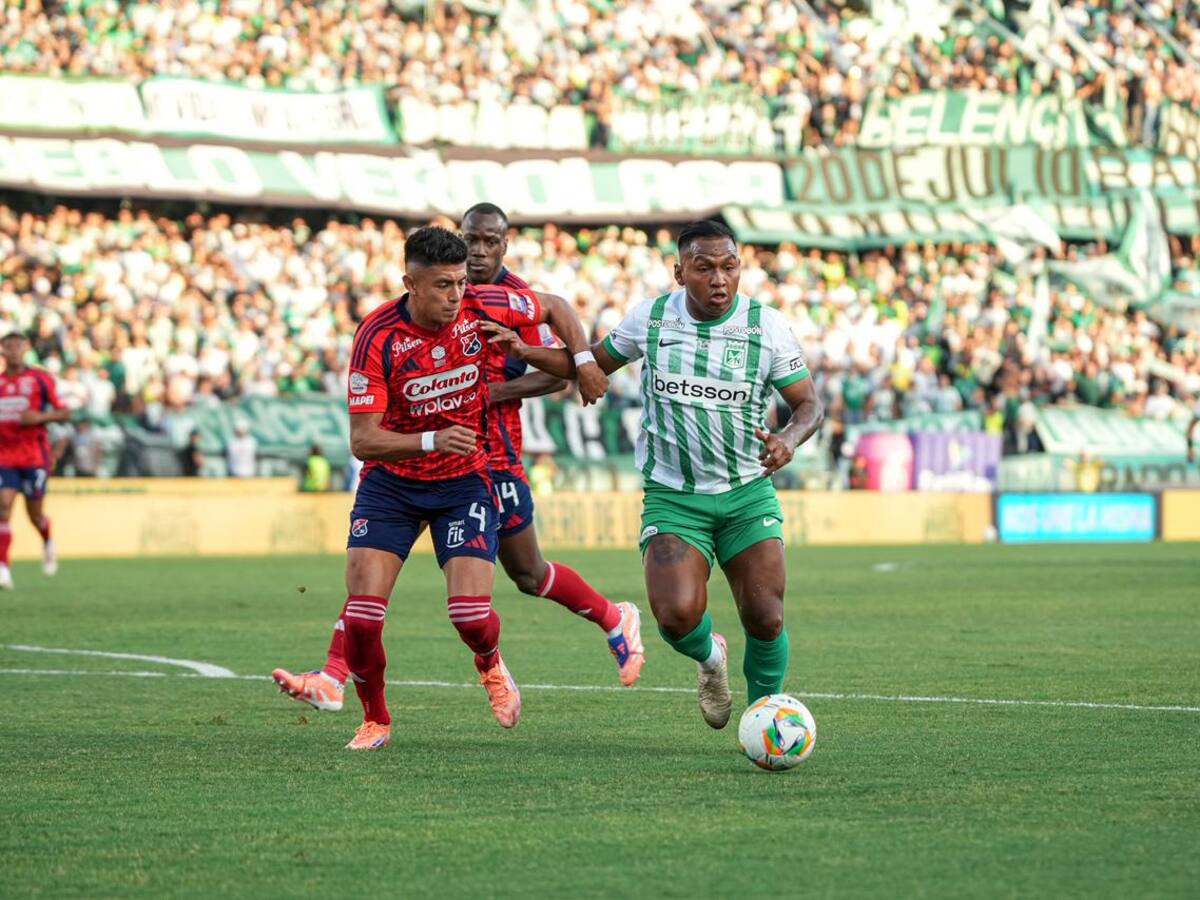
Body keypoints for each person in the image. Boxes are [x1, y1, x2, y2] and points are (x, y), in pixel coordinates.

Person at [272, 206, 646, 722]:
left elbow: (554, 366)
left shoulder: (508, 298)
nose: (479, 251)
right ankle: (336, 677)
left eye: (491, 242)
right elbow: (366, 432)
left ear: (505, 245)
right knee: (371, 579)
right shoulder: (408, 315)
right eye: (472, 240)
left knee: (527, 572)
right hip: (420, 458)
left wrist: (549, 372)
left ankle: (613, 616)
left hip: (493, 455)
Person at [484, 219, 823, 728]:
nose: (719, 279)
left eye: (729, 267)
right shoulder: (653, 318)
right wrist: (527, 351)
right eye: (704, 268)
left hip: (746, 493)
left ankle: (763, 716)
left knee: (766, 615)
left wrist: (789, 438)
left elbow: (809, 405)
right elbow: (591, 365)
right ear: (679, 272)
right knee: (675, 617)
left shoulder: (766, 326)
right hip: (673, 497)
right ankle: (710, 657)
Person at [0, 330, 71, 589]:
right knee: (3, 507)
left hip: (33, 456)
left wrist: (40, 418)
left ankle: (48, 541)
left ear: (26, 348)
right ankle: (3, 567)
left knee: (35, 515)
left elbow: (64, 412)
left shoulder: (40, 379)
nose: (13, 351)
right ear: (2, 350)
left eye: (17, 346)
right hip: (4, 456)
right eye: (8, 346)